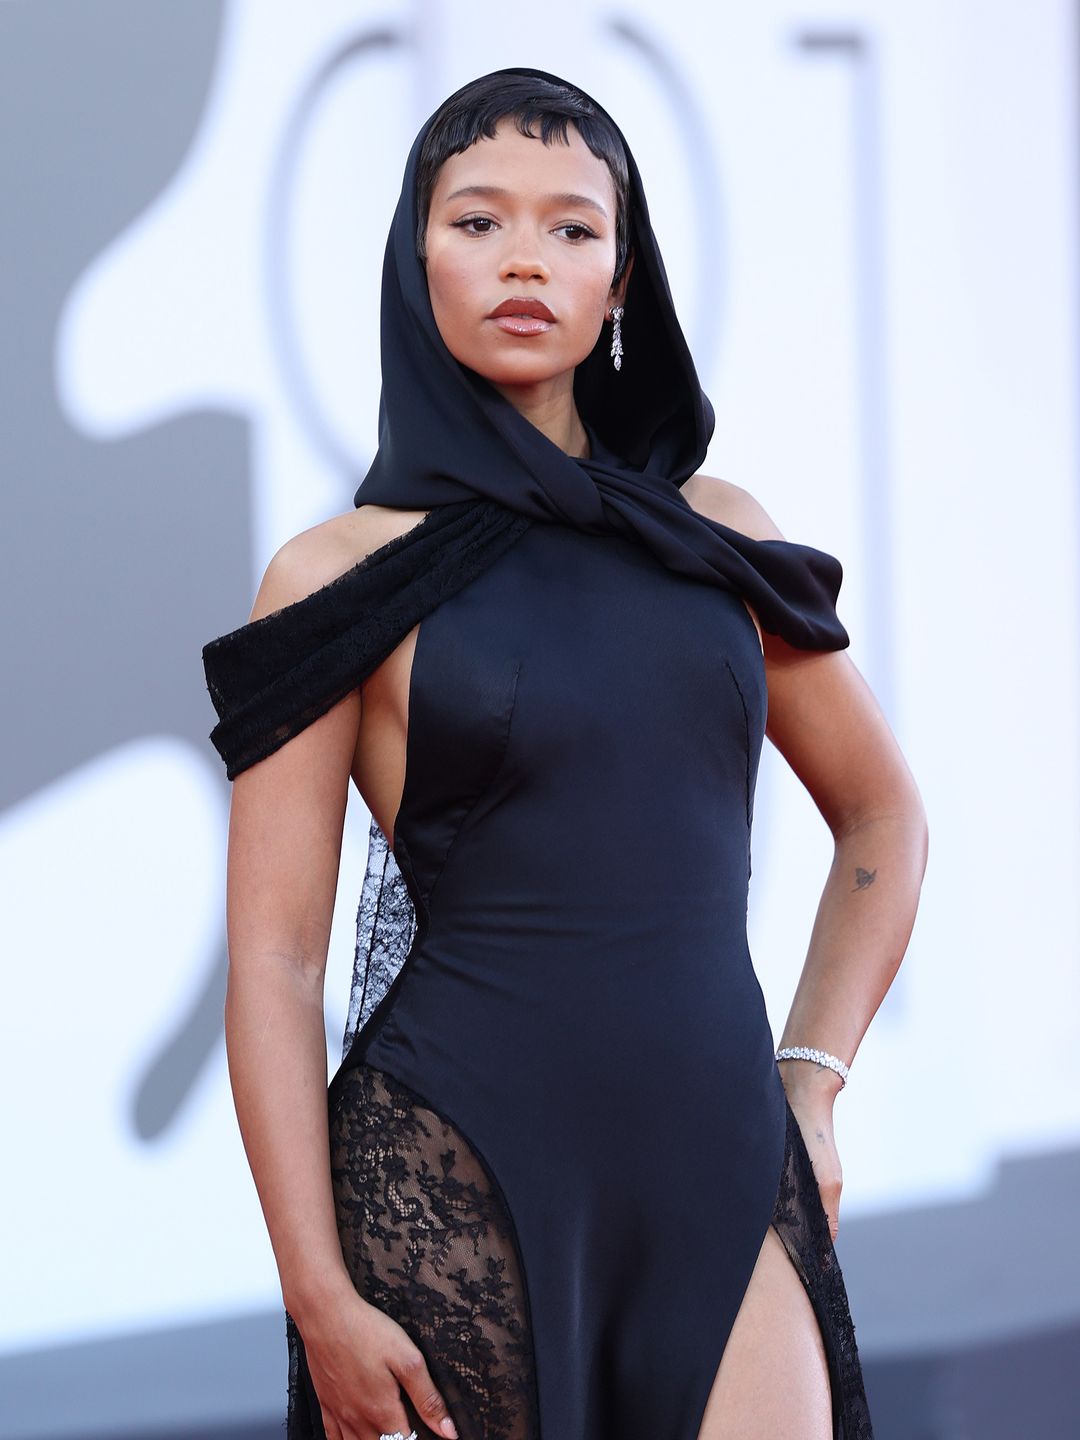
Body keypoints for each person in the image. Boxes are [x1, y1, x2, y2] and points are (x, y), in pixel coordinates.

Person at [202, 66, 927, 1440]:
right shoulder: (336, 576)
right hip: (447, 1177)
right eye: (478, 222)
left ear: (621, 276)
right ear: (415, 260)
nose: (525, 258)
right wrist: (316, 1295)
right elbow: (276, 960)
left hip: (722, 1160)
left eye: (571, 227)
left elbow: (884, 819)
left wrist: (813, 1085)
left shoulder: (715, 535)